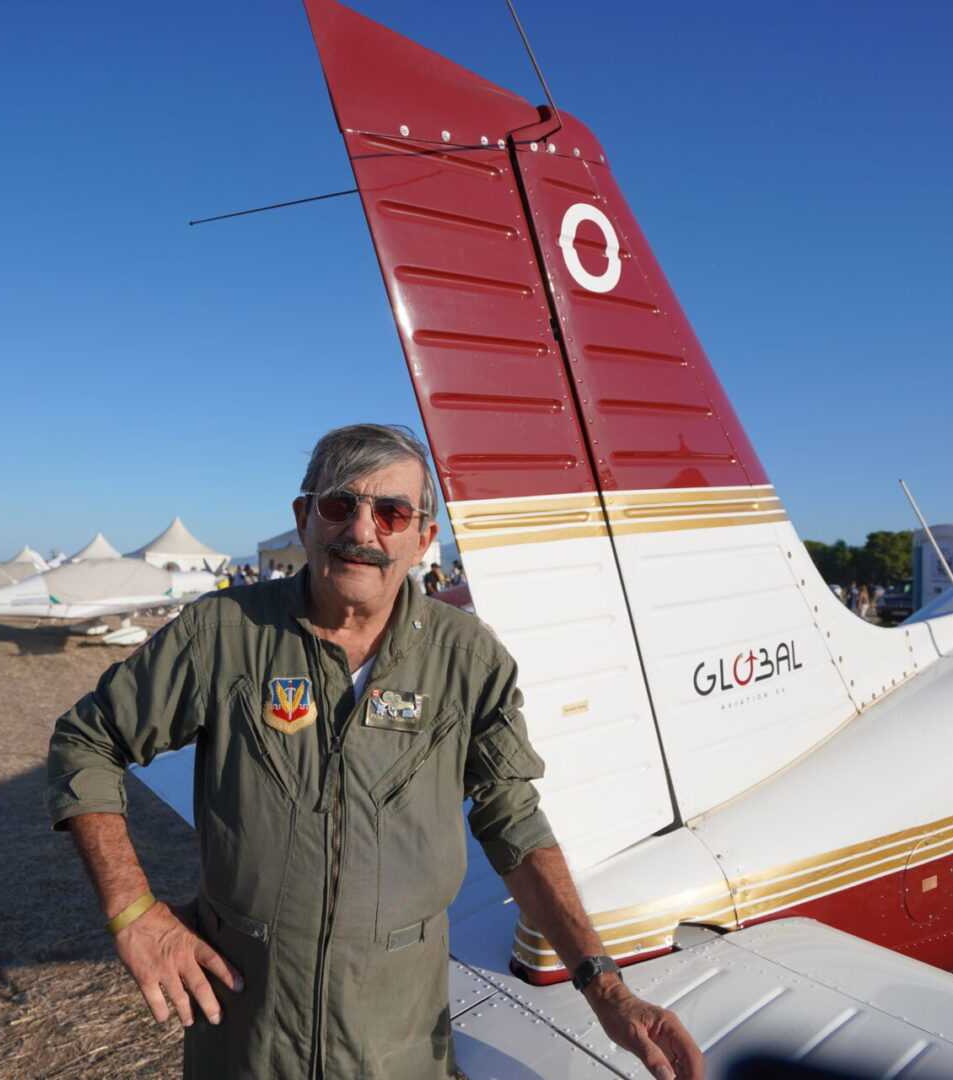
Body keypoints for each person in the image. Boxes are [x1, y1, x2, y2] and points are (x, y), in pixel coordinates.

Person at [47, 423, 703, 1080]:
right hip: (247, 1041)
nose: (361, 530)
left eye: (391, 512)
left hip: (396, 1046)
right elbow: (87, 741)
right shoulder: (222, 634)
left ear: (422, 538)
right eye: (339, 504)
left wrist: (606, 989)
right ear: (304, 518)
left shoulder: (467, 660)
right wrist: (133, 912)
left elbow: (514, 822)